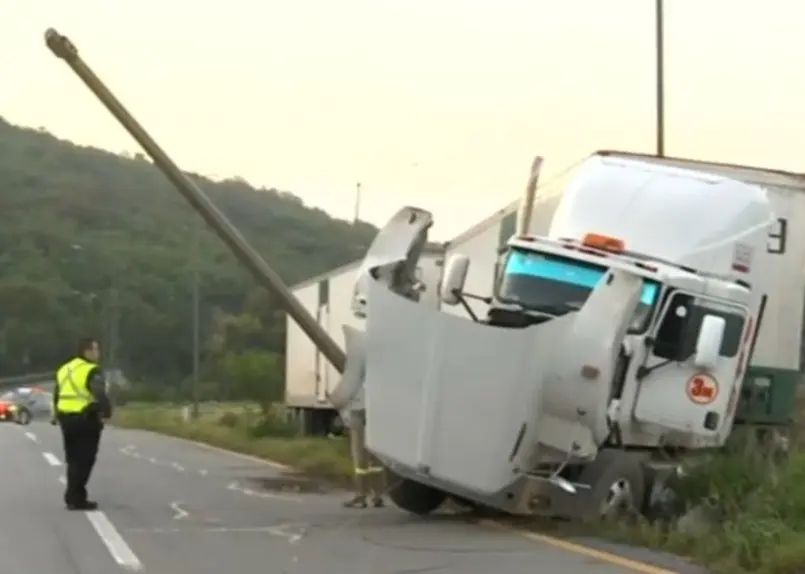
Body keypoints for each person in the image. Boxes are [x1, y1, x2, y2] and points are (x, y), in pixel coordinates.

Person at [53, 337, 112, 511]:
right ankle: (75, 497)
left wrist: (56, 414)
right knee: (85, 459)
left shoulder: (64, 369)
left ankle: (73, 495)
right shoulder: (91, 370)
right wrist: (106, 411)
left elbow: (57, 394)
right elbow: (99, 392)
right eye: (95, 350)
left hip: (66, 418)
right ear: (86, 351)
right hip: (86, 419)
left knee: (73, 459)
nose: (98, 353)